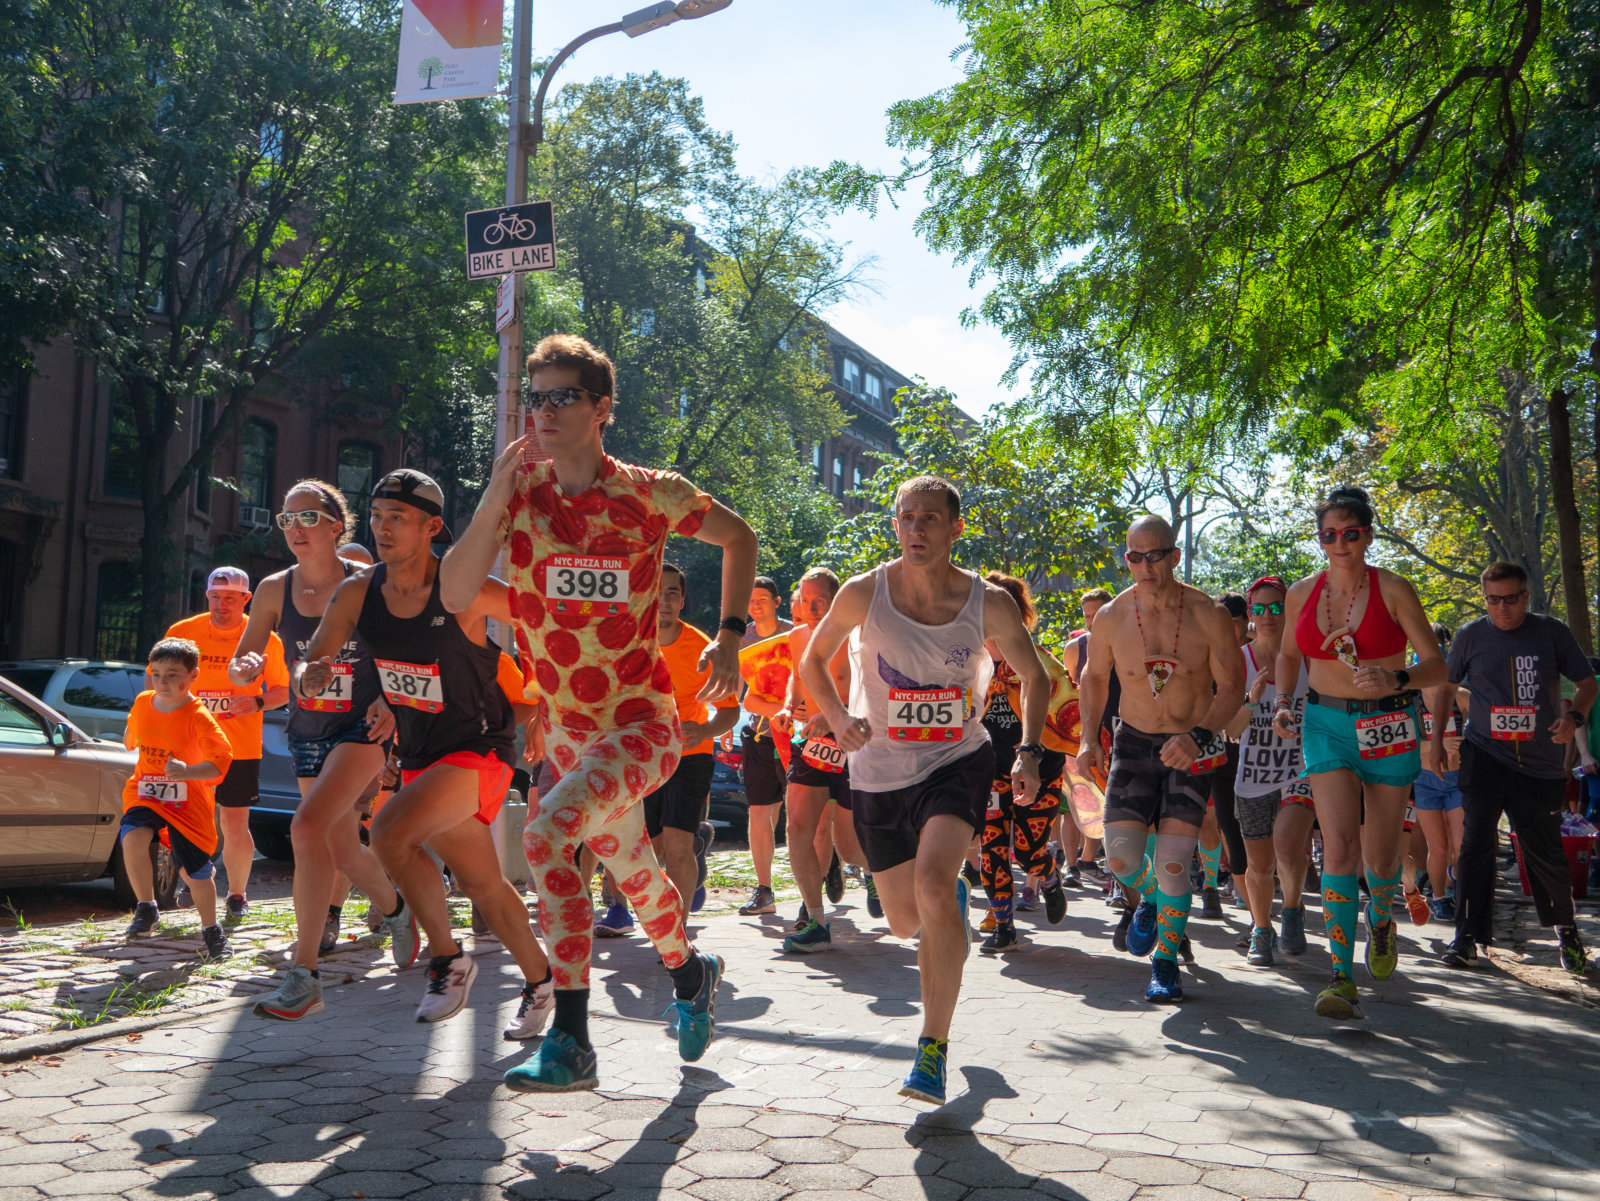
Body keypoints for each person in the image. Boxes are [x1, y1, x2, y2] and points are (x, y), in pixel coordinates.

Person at [440, 333, 757, 1092]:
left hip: (642, 726)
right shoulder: (519, 493)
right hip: (567, 736)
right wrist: (492, 497)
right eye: (536, 398)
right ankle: (692, 974)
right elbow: (454, 592)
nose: (545, 412)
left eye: (564, 397)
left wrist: (729, 636)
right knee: (635, 872)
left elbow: (739, 536)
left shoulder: (649, 493)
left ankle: (573, 1040)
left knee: (547, 835)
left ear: (602, 408)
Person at [798, 474, 1048, 1106]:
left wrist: (1028, 749)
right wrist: (837, 716)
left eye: (930, 518)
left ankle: (931, 1049)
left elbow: (1036, 675)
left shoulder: (989, 602)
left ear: (955, 528)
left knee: (933, 885)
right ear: (896, 526)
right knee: (906, 921)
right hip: (878, 770)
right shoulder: (864, 592)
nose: (916, 529)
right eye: (907, 518)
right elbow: (812, 660)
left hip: (956, 758)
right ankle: (951, 906)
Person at [297, 468, 556, 1029]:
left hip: (479, 747)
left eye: (398, 518)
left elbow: (547, 622)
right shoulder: (358, 592)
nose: (383, 528)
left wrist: (543, 705)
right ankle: (542, 984)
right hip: (420, 754)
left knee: (388, 830)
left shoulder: (464, 589)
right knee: (481, 883)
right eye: (377, 517)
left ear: (431, 527)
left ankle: (447, 959)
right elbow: (315, 657)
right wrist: (310, 675)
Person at [230, 480, 417, 1021]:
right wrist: (245, 669)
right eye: (286, 520)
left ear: (336, 526)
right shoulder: (274, 588)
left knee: (306, 827)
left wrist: (391, 700)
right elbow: (244, 661)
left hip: (362, 728)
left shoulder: (367, 583)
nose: (295, 529)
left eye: (307, 517)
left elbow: (405, 649)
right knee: (340, 848)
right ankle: (396, 907)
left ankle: (304, 974)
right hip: (306, 729)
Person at [1273, 486, 1446, 1021]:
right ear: (1320, 539)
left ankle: (1383, 913)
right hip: (1325, 723)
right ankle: (1341, 976)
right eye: (1329, 535)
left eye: (1350, 533)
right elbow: (1286, 656)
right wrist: (1283, 703)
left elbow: (1437, 665)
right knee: (1340, 847)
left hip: (1388, 723)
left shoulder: (1393, 588)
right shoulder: (1302, 592)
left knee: (1381, 857)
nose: (1339, 543)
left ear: (1367, 536)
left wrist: (1397, 677)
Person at [1077, 515, 1245, 1003]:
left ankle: (1166, 961)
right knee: (1121, 858)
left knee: (1174, 864)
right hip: (1132, 743)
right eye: (1135, 557)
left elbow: (1232, 686)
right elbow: (1094, 678)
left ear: (1174, 556)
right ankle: (1151, 899)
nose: (1145, 566)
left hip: (1191, 745)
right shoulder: (1112, 615)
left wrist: (1199, 735)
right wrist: (1088, 738)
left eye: (1155, 556)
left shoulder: (1208, 614)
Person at [1432, 561, 1595, 978]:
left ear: (1525, 596)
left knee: (1546, 852)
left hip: (1538, 764)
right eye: (1492, 600)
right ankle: (1466, 937)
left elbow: (1587, 683)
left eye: (1509, 599)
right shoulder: (1470, 635)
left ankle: (1567, 932)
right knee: (1475, 844)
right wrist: (1435, 742)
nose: (1501, 608)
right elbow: (1445, 688)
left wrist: (1573, 717)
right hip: (1484, 755)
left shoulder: (1551, 631)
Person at [161, 568, 290, 918]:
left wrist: (257, 701)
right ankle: (195, 880)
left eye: (230, 598)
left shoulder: (264, 640)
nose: (222, 604)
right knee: (187, 819)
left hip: (239, 747)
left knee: (234, 823)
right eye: (216, 597)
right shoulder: (182, 633)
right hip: (190, 745)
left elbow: (285, 689)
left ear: (246, 599)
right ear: (207, 596)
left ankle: (237, 894)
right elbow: (155, 682)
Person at [635, 563, 741, 921]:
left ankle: (676, 932)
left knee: (676, 846)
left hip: (690, 755)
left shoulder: (703, 649)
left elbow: (730, 710)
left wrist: (704, 731)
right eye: (657, 593)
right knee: (651, 849)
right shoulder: (630, 642)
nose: (664, 601)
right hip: (644, 756)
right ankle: (695, 848)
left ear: (682, 601)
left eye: (672, 594)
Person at [975, 572, 1074, 954]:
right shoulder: (970, 664)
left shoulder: (1043, 665)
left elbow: (1068, 720)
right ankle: (1004, 925)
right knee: (992, 848)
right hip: (991, 774)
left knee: (1028, 852)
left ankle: (1047, 876)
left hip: (1041, 772)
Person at [120, 638, 235, 961]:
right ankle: (147, 907)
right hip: (146, 792)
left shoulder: (199, 716)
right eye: (156, 674)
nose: (163, 682)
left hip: (188, 803)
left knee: (195, 873)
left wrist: (188, 771)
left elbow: (221, 761)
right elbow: (131, 738)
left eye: (172, 675)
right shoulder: (143, 702)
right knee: (132, 836)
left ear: (193, 675)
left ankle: (212, 929)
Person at [777, 567, 866, 949]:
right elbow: (797, 678)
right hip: (811, 744)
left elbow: (871, 692)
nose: (811, 609)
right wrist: (788, 706)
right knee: (797, 827)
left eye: (820, 601)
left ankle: (873, 873)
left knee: (848, 846)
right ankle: (815, 920)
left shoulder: (858, 636)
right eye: (805, 599)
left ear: (836, 600)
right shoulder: (797, 636)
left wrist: (833, 715)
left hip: (853, 743)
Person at [1224, 576, 1311, 965]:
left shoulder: (1308, 659)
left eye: (1277, 607)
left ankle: (1292, 910)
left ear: (1289, 609)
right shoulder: (1238, 660)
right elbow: (1231, 732)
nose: (1268, 616)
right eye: (1258, 609)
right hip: (1253, 777)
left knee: (1289, 848)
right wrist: (1251, 700)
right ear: (1249, 613)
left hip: (1300, 770)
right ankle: (1261, 929)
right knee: (1259, 865)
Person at [736, 578, 793, 916]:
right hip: (759, 735)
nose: (755, 605)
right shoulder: (741, 638)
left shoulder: (793, 633)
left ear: (777, 602)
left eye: (762, 599)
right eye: (750, 599)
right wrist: (726, 723)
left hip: (797, 736)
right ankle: (764, 890)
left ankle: (823, 873)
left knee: (801, 814)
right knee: (759, 811)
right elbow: (735, 682)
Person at [1410, 622, 1467, 923]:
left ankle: (1458, 886)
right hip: (1425, 780)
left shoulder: (1460, 694)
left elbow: (1482, 728)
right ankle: (1439, 897)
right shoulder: (1409, 696)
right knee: (1438, 847)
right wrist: (1436, 745)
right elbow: (1404, 743)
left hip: (1457, 779)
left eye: (1438, 644)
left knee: (1460, 845)